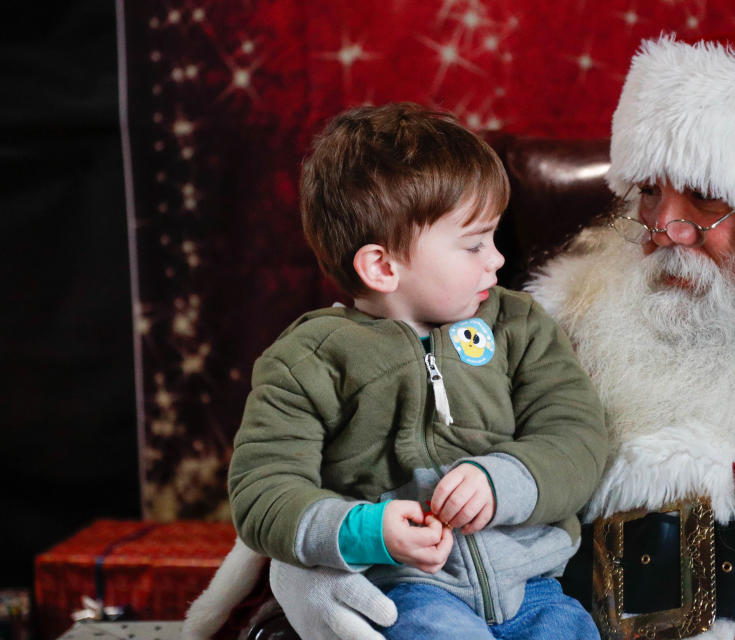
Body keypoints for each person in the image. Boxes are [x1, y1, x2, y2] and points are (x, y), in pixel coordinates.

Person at [187, 38, 735, 640]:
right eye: (649, 193)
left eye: (709, 200)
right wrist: (313, 564)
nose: (664, 229)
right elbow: (304, 473)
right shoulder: (548, 321)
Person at [185, 102, 607, 640]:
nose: (497, 260)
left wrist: (503, 480)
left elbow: (578, 437)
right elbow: (261, 490)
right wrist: (363, 531)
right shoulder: (307, 359)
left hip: (535, 587)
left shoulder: (519, 326)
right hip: (407, 593)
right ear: (382, 267)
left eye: (495, 238)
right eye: (475, 243)